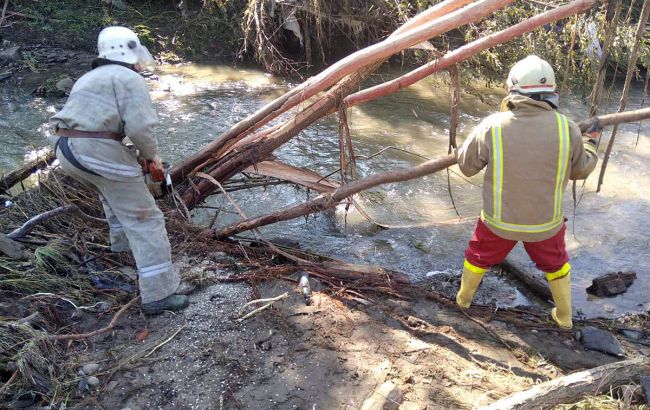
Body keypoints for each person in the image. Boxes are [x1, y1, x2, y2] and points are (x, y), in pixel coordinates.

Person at [45, 26, 188, 314]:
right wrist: (152, 158)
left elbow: (101, 122)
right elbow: (140, 127)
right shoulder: (128, 78)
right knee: (147, 219)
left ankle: (122, 252)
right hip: (95, 151)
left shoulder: (89, 77)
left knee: (112, 197)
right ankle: (159, 294)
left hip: (67, 149)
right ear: (129, 49)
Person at [455, 55, 599, 329]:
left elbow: (467, 166)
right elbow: (581, 170)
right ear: (552, 93)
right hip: (545, 225)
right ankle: (565, 318)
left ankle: (463, 301)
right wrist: (591, 143)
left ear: (513, 89)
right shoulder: (567, 127)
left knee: (477, 256)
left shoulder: (493, 125)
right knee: (557, 265)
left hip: (498, 223)